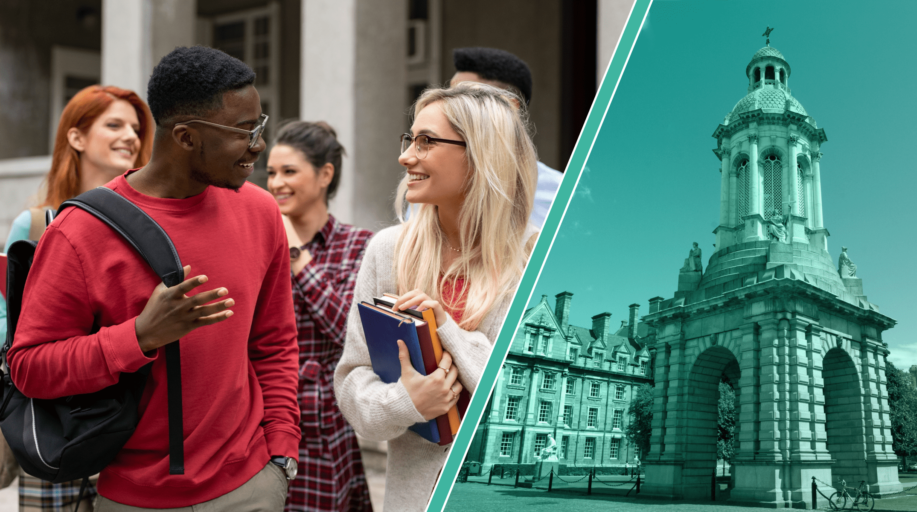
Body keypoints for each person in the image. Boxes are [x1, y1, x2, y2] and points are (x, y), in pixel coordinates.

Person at [8, 46, 300, 510]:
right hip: (133, 497)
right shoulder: (80, 231)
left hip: (251, 487)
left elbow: (275, 343)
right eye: (246, 131)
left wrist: (282, 455)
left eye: (259, 127)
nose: (259, 145)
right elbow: (30, 366)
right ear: (186, 137)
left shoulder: (261, 211)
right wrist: (139, 337)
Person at [334, 82, 539, 512]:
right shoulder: (387, 250)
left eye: (426, 141)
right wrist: (407, 402)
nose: (406, 156)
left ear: (481, 152)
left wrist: (446, 329)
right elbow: (352, 384)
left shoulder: (532, 262)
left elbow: (518, 398)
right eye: (410, 139)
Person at [0, 84, 154, 512]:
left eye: (137, 128)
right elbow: (6, 321)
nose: (132, 136)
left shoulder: (149, 228)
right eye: (115, 124)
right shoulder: (35, 226)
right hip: (52, 425)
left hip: (129, 427)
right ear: (76, 137)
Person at [266, 121, 373, 512]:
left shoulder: (359, 245)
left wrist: (294, 250)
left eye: (289, 171)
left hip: (325, 427)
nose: (276, 183)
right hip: (262, 423)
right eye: (272, 173)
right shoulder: (260, 244)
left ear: (325, 174)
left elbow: (348, 330)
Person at [451, 47, 562, 228]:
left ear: (509, 106)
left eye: (465, 97)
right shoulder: (431, 187)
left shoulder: (563, 195)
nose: (448, 106)